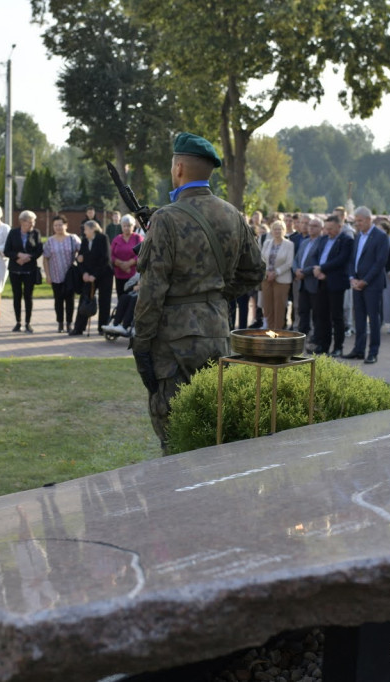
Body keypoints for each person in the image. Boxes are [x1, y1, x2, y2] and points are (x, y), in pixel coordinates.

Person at [133, 132, 264, 451]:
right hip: (217, 331)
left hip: (174, 341)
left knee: (175, 426)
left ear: (179, 168)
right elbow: (255, 270)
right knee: (212, 422)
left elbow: (152, 291)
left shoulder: (166, 219)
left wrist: (141, 342)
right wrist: (216, 295)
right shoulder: (232, 214)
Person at [343, 206, 389, 364]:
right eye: (356, 221)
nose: (357, 224)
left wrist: (365, 281)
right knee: (359, 318)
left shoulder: (380, 236)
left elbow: (380, 262)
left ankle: (373, 352)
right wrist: (352, 278)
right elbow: (352, 259)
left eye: (360, 221)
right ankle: (358, 349)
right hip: (357, 284)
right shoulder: (358, 236)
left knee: (373, 319)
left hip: (372, 284)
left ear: (369, 220)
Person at [311, 214, 354, 356]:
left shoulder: (346, 240)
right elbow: (317, 255)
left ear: (339, 226)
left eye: (331, 228)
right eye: (326, 228)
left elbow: (341, 260)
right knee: (322, 315)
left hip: (335, 283)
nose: (328, 231)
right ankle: (324, 345)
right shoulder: (323, 239)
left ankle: (338, 347)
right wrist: (318, 269)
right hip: (321, 282)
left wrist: (323, 269)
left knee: (336, 316)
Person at [69, 220, 112, 335]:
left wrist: (95, 275)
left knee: (104, 301)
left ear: (93, 229)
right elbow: (81, 258)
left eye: (86, 229)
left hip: (103, 274)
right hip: (88, 275)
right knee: (85, 299)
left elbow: (105, 259)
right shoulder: (84, 240)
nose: (84, 232)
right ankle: (79, 328)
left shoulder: (103, 238)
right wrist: (84, 273)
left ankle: (103, 328)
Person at [4, 210, 44, 333]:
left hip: (29, 270)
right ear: (22, 221)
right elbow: (7, 251)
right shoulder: (13, 233)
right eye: (30, 222)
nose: (32, 225)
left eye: (34, 222)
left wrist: (28, 257)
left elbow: (39, 250)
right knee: (17, 296)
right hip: (15, 269)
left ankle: (28, 323)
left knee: (28, 296)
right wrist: (18, 256)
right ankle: (18, 322)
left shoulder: (36, 233)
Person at [42, 215, 81, 333]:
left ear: (66, 225)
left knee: (70, 300)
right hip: (55, 275)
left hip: (70, 276)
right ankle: (60, 323)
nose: (58, 227)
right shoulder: (50, 241)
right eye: (55, 225)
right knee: (58, 300)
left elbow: (82, 251)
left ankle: (69, 323)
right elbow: (45, 259)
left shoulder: (73, 238)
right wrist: (47, 275)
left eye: (60, 225)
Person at [259, 220, 294, 331]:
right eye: (275, 229)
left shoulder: (289, 244)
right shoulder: (267, 243)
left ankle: (278, 333)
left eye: (280, 229)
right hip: (266, 279)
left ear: (284, 231)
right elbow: (261, 259)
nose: (277, 231)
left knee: (279, 308)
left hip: (282, 280)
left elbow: (289, 263)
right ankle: (270, 332)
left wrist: (276, 273)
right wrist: (267, 272)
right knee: (268, 307)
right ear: (272, 231)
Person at [110, 213, 143, 297]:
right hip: (119, 274)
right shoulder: (117, 239)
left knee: (131, 301)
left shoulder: (138, 238)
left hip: (133, 275)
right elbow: (111, 254)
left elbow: (142, 254)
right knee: (121, 299)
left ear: (133, 226)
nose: (126, 228)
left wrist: (129, 263)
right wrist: (120, 264)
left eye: (128, 226)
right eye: (124, 226)